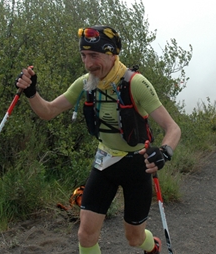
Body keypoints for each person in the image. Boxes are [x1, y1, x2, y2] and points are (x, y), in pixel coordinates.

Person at [16, 25, 181, 254]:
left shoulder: (136, 83)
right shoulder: (86, 83)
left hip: (137, 165)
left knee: (133, 238)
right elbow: (48, 111)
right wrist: (32, 92)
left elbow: (172, 128)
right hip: (105, 162)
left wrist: (164, 152)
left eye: (94, 56)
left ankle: (152, 244)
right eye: (84, 56)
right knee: (85, 235)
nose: (88, 63)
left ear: (112, 55)